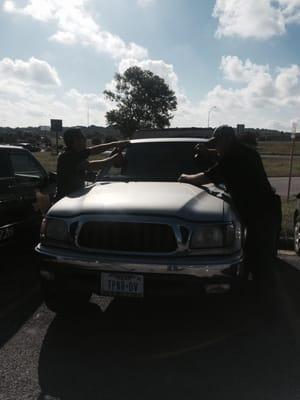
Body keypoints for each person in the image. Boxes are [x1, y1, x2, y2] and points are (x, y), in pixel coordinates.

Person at [179, 125, 282, 289]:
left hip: (260, 212)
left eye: (217, 143)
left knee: (258, 256)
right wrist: (208, 152)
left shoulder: (231, 159)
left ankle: (262, 301)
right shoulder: (245, 152)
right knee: (260, 252)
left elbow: (206, 177)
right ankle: (259, 289)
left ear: (226, 140)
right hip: (268, 208)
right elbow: (222, 155)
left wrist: (185, 178)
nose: (215, 147)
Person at [56, 128, 129, 200]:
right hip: (65, 200)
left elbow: (95, 150)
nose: (85, 139)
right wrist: (113, 159)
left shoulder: (77, 152)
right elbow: (91, 166)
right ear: (75, 141)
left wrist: (115, 144)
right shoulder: (67, 157)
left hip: (75, 196)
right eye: (82, 137)